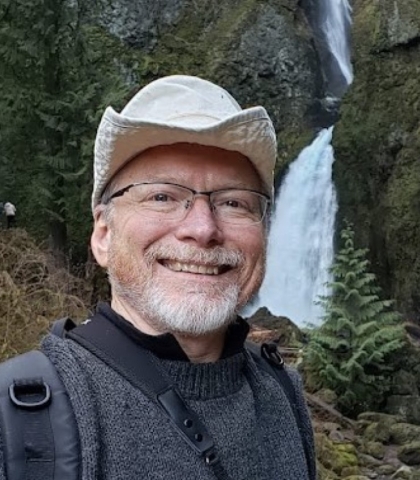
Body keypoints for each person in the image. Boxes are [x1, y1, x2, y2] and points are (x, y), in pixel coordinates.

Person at [0, 75, 316, 479]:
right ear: (103, 235)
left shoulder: (284, 394)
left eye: (233, 202)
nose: (203, 229)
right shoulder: (21, 421)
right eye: (162, 196)